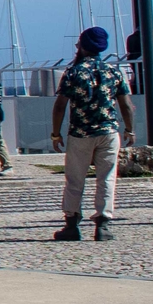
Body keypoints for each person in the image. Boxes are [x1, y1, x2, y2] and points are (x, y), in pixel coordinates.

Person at [49, 26, 134, 241]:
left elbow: (60, 105)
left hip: (81, 132)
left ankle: (71, 222)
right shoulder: (114, 71)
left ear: (84, 46)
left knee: (75, 179)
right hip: (109, 131)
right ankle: (103, 224)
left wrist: (55, 133)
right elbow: (126, 105)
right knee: (106, 179)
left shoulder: (73, 71)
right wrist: (129, 129)